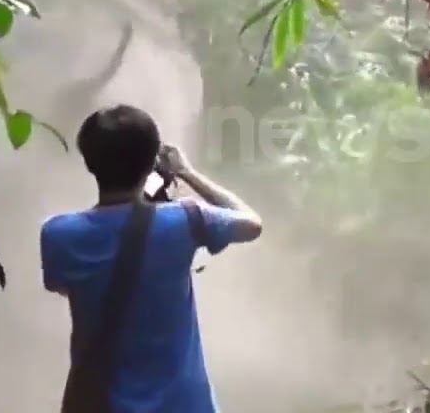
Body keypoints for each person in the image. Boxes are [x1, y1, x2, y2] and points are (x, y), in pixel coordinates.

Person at [40, 104, 263, 413]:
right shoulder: (186, 219)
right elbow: (251, 222)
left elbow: (64, 286)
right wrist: (186, 172)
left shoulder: (58, 234)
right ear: (151, 164)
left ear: (89, 162)